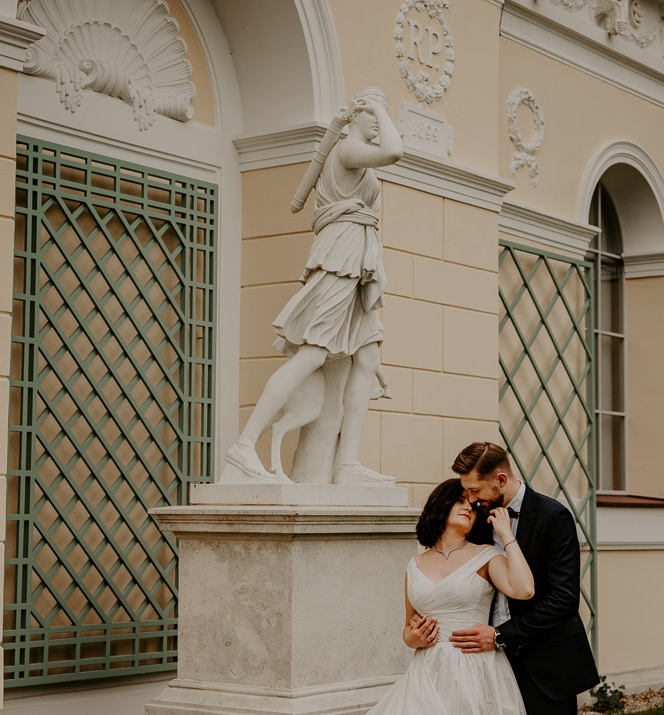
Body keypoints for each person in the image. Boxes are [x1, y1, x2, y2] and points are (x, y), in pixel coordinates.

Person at [224, 86, 403, 486]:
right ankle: (244, 445)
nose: (379, 120)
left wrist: (374, 110)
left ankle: (347, 464)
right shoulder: (347, 150)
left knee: (367, 358)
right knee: (314, 353)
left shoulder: (358, 156)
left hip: (360, 264)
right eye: (371, 113)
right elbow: (395, 151)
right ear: (355, 116)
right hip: (340, 259)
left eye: (382, 113)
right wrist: (374, 108)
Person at [436, 442, 600, 714]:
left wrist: (500, 635)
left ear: (501, 480)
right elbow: (456, 569)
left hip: (545, 660)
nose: (471, 499)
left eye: (475, 490)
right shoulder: (476, 518)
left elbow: (564, 599)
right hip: (486, 661)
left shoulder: (554, 517)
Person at [368, 478, 534, 715]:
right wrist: (413, 638)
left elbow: (525, 589)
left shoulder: (486, 555)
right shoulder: (415, 564)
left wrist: (506, 535)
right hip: (427, 672)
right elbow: (407, 629)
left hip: (476, 667)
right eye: (460, 500)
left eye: (473, 506)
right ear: (440, 505)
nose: (468, 508)